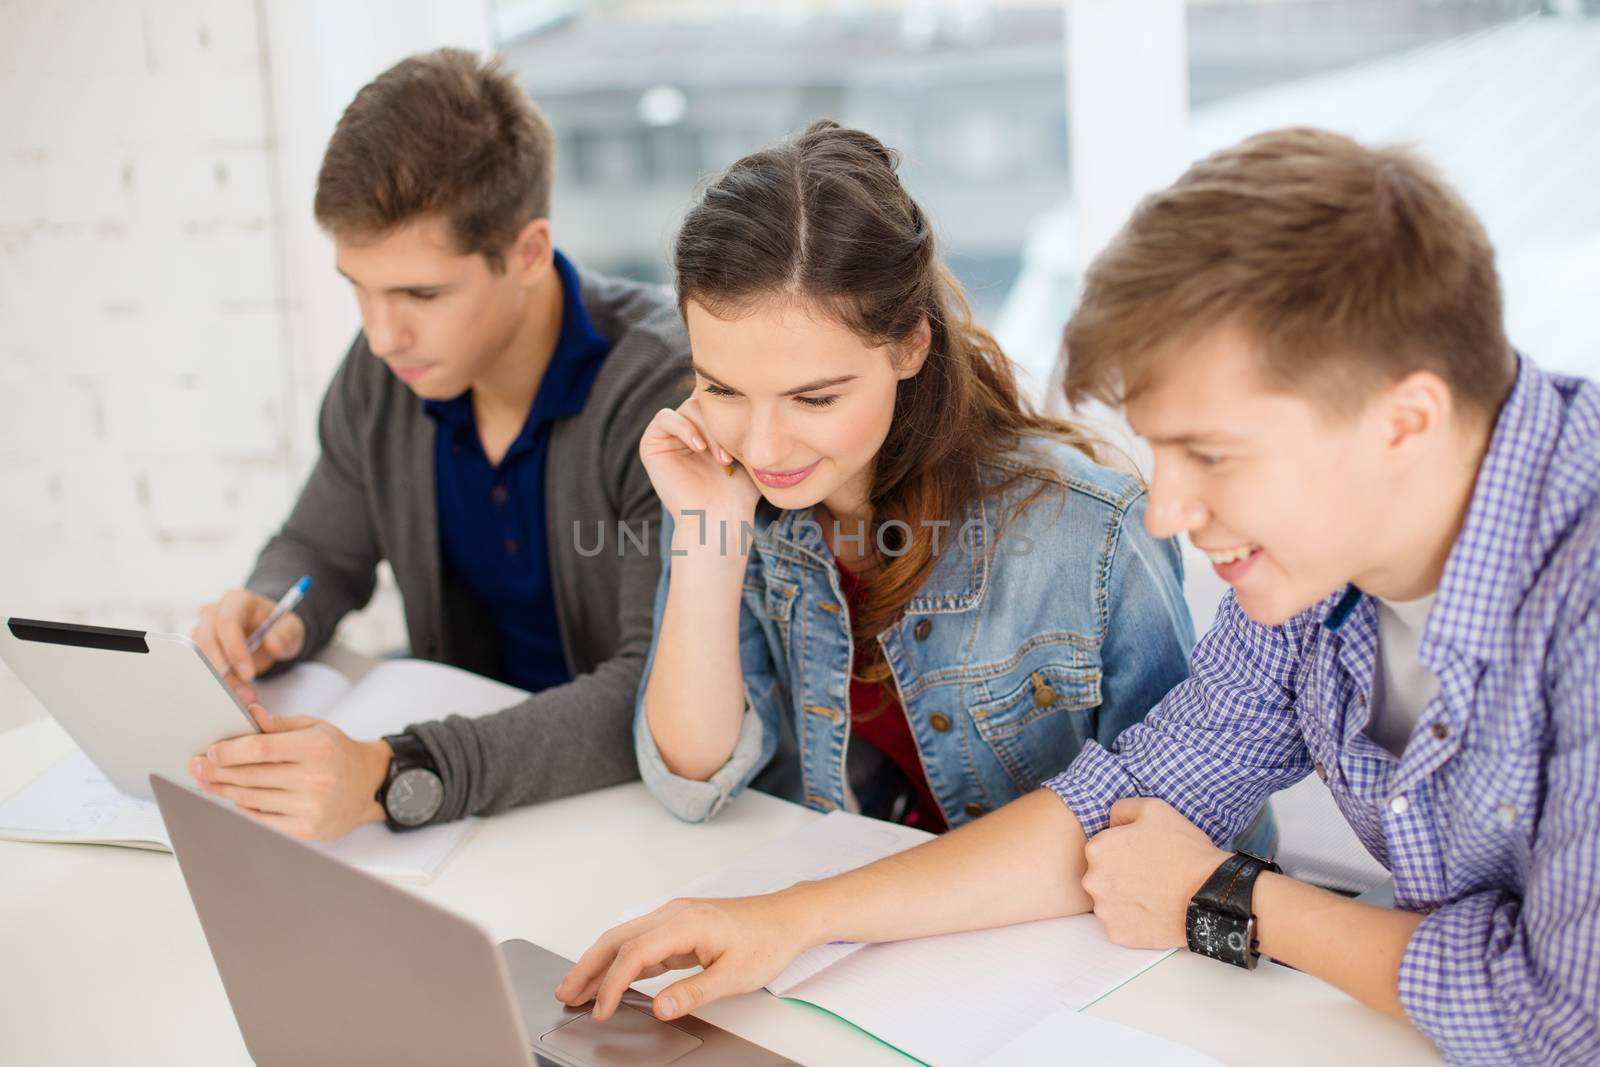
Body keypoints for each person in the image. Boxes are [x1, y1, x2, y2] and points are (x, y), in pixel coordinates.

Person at [556, 128, 1600, 1067]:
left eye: (1212, 455)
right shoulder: (1310, 581)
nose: (1167, 511)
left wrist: (1232, 897)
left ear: (1404, 421)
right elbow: (1127, 803)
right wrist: (792, 917)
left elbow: (1563, 1018)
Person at [631, 120, 1202, 837]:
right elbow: (688, 780)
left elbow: (1188, 832)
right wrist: (706, 535)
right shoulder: (729, 493)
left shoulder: (1090, 534)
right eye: (723, 390)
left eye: (814, 398)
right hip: (857, 911)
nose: (763, 443)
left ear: (910, 346)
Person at [185, 49, 691, 841]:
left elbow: (654, 691)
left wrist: (396, 772)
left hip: (636, 815)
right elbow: (320, 545)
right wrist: (275, 605)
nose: (383, 335)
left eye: (421, 293)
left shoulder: (661, 391)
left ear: (527, 253)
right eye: (360, 287)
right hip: (475, 808)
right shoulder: (391, 373)